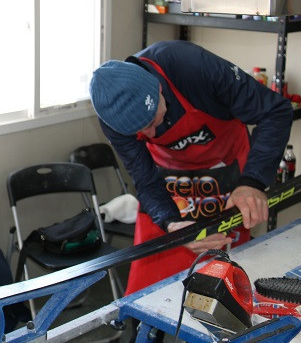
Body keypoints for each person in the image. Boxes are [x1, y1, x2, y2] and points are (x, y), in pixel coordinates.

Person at [89, 40, 292, 294]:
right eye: (140, 131)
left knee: (229, 287)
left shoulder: (193, 67)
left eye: (152, 121)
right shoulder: (113, 117)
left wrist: (252, 182)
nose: (150, 133)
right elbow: (145, 180)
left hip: (227, 173)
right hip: (169, 183)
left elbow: (276, 111)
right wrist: (172, 225)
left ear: (159, 90)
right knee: (150, 290)